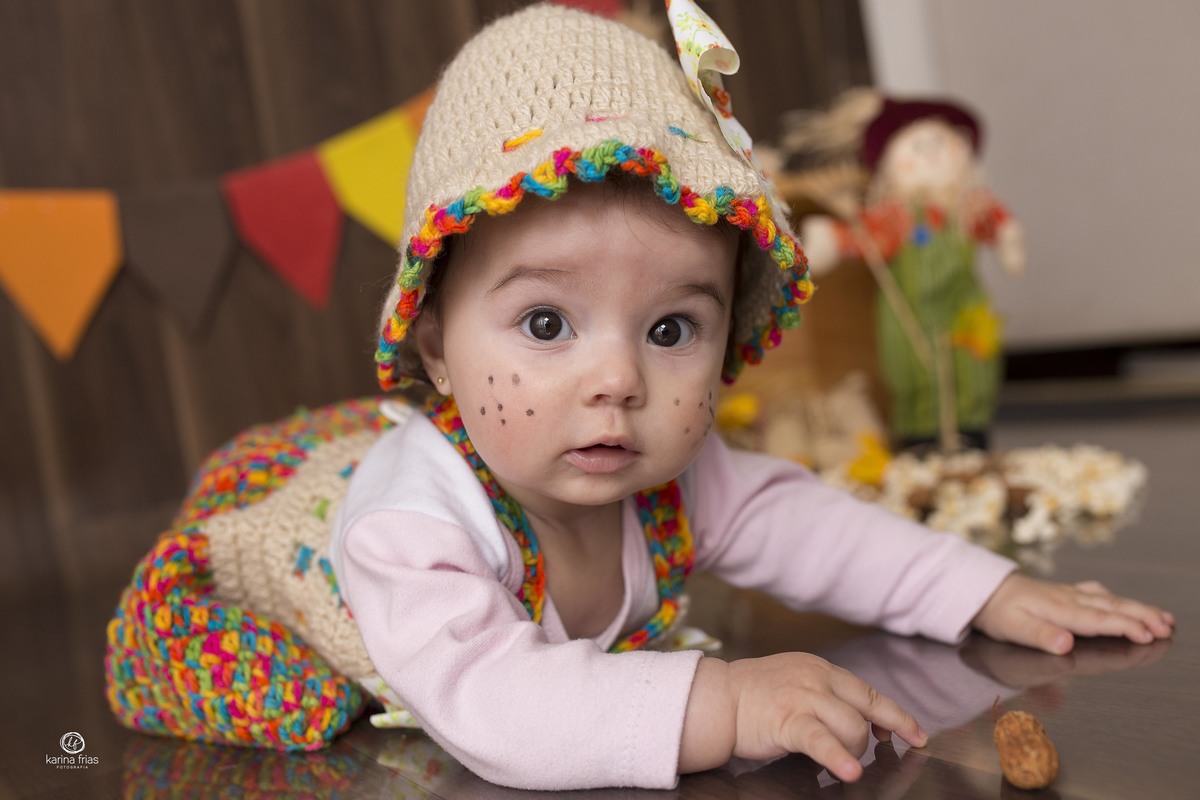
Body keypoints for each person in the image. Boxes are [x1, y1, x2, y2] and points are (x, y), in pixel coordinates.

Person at [321, 3, 1174, 791]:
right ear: (435, 348)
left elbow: (814, 531)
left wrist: (986, 593)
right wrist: (723, 702)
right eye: (546, 324)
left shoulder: (674, 477)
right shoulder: (414, 526)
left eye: (669, 331)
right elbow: (493, 705)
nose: (618, 382)